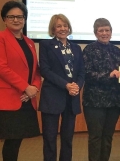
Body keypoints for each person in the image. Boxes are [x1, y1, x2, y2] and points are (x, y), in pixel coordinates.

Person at [0, 0, 41, 161]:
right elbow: (1, 68)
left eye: (20, 16)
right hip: (7, 99)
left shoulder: (30, 43)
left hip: (26, 98)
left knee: (17, 140)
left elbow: (36, 72)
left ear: (24, 19)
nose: (16, 20)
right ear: (4, 19)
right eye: (11, 16)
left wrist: (34, 88)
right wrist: (25, 87)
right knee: (11, 141)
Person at [38, 14, 85, 161]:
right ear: (53, 28)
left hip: (71, 98)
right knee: (50, 138)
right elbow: (45, 70)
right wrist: (66, 85)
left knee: (68, 138)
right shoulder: (46, 45)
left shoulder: (76, 48)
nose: (63, 29)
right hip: (52, 97)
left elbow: (82, 72)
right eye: (59, 26)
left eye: (65, 25)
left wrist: (77, 86)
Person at [82, 18, 120, 161]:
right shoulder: (89, 50)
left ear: (111, 32)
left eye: (107, 30)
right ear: (95, 33)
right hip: (94, 102)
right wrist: (108, 75)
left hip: (114, 102)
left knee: (108, 137)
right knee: (96, 137)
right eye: (101, 30)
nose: (104, 33)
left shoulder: (116, 50)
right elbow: (86, 74)